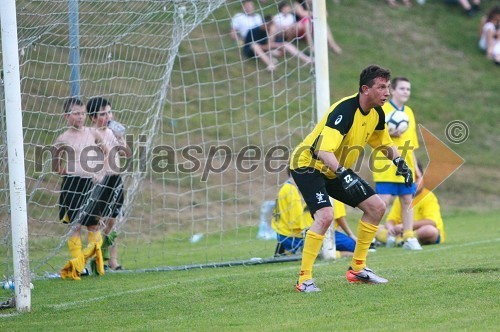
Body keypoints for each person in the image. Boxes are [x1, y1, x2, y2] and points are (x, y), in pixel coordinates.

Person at [290, 65, 414, 292]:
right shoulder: (344, 111)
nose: (387, 92)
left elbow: (384, 143)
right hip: (307, 164)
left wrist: (400, 162)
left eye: (388, 87)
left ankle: (358, 269)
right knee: (326, 215)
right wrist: (344, 174)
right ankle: (304, 279)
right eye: (382, 87)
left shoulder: (377, 112)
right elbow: (322, 150)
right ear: (365, 89)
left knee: (376, 207)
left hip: (333, 169)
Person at [53, 97, 107, 280]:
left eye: (83, 113)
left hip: (90, 184)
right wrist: (61, 169)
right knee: (75, 225)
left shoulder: (93, 133)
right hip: (72, 184)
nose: (81, 117)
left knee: (93, 224)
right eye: (76, 113)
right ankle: (78, 264)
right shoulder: (63, 138)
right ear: (66, 116)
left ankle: (93, 261)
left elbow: (106, 152)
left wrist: (100, 171)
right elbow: (56, 162)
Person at [372, 76, 422, 250]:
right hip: (385, 163)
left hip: (406, 164)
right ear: (392, 90)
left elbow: (413, 144)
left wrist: (415, 168)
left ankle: (408, 237)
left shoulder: (409, 112)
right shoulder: (381, 109)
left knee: (408, 200)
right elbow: (373, 134)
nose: (405, 92)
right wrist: (389, 135)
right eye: (402, 88)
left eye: (408, 89)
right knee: (381, 203)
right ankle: (371, 236)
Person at [87, 97, 132, 271]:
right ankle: (97, 259)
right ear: (93, 117)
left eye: (109, 112)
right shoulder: (91, 134)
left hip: (115, 179)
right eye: (102, 114)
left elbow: (126, 153)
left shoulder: (113, 132)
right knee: (97, 222)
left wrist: (121, 138)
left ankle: (112, 259)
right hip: (100, 181)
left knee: (113, 221)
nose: (108, 117)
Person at [272, 170, 355, 258]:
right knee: (353, 246)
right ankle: (332, 253)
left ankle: (291, 249)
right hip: (297, 238)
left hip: (283, 236)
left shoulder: (287, 188)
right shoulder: (293, 190)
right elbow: (298, 223)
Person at [376, 167, 446, 246]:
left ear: (423, 178)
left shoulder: (429, 196)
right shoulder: (401, 198)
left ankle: (400, 239)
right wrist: (391, 228)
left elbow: (431, 222)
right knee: (375, 228)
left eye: (417, 178)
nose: (415, 182)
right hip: (400, 231)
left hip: (418, 231)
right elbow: (390, 220)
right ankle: (401, 240)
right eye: (411, 178)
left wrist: (404, 226)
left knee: (430, 230)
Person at [243, 15, 311, 72]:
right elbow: (256, 46)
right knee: (255, 46)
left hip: (266, 50)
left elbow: (274, 43)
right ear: (264, 23)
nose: (271, 27)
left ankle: (306, 59)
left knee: (286, 44)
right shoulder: (253, 31)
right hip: (251, 51)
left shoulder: (269, 31)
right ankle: (270, 64)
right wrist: (275, 45)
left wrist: (277, 44)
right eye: (270, 25)